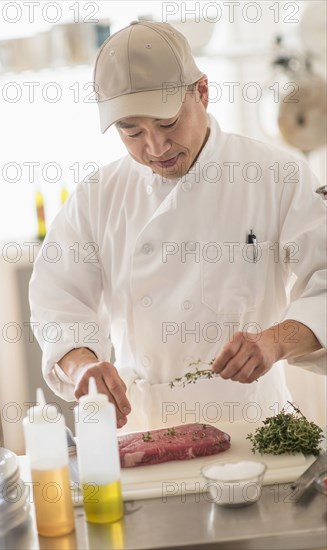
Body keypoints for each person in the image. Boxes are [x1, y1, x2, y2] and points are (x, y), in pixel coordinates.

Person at [29, 21, 326, 432]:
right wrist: (83, 366)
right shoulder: (98, 196)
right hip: (142, 429)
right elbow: (57, 299)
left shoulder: (277, 175)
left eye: (167, 124)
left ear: (202, 92)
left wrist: (274, 341)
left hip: (256, 429)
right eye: (131, 131)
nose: (155, 147)